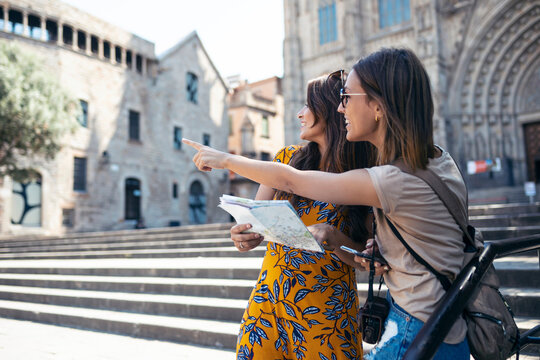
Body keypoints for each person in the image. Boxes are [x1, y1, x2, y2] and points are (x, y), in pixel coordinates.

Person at [183, 48, 471, 359]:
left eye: (347, 98)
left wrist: (225, 159)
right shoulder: (433, 161)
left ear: (376, 106)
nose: (341, 107)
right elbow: (269, 207)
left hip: (353, 315)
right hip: (274, 303)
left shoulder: (384, 178)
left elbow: (291, 181)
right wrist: (244, 236)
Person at [229, 71, 375, 359]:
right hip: (269, 303)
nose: (299, 113)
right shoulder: (285, 159)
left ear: (332, 110)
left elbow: (365, 258)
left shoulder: (363, 175)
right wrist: (243, 236)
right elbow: (254, 222)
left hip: (326, 314)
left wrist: (333, 236)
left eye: (308, 105)